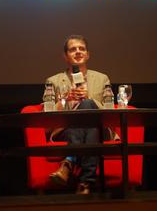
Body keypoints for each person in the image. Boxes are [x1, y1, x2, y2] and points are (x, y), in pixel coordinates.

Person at [45, 35, 113, 195]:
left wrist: (89, 99)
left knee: (88, 105)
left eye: (81, 48)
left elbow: (110, 110)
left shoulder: (102, 79)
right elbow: (47, 116)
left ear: (88, 54)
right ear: (65, 56)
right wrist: (64, 99)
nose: (78, 52)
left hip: (100, 127)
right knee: (90, 131)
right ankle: (85, 182)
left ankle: (68, 162)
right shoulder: (53, 81)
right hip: (65, 130)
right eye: (72, 49)